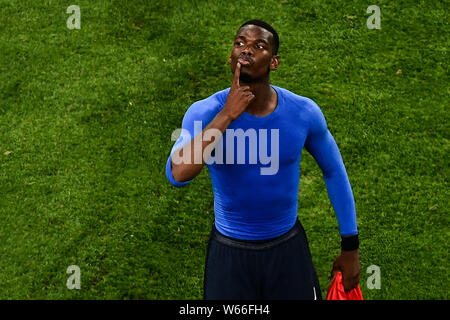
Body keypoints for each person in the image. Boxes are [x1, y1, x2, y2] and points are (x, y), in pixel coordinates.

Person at [165, 19, 360, 300]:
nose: (246, 50)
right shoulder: (204, 112)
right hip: (229, 254)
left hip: (287, 250)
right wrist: (227, 115)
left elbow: (334, 172)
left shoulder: (303, 112)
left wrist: (350, 247)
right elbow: (178, 174)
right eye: (240, 43)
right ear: (231, 56)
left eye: (259, 45)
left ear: (274, 62)